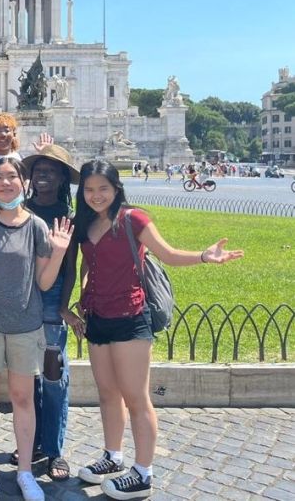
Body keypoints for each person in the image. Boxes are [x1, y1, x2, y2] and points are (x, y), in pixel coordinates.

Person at [73, 160, 244, 499]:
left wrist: (203, 256)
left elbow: (167, 253)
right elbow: (86, 263)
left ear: (116, 189)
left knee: (136, 397)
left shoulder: (134, 218)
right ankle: (113, 456)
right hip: (98, 317)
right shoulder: (86, 223)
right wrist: (83, 295)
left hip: (130, 315)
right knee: (108, 393)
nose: (96, 196)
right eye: (89, 190)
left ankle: (143, 472)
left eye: (103, 189)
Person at [0, 156, 73, 501]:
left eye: (12, 177)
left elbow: (42, 282)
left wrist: (58, 253)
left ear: (23, 183)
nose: (6, 183)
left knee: (24, 398)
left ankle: (25, 471)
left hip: (25, 323)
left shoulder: (37, 226)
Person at [21, 145, 81, 483]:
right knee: (27, 378)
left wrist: (63, 305)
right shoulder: (22, 209)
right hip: (24, 298)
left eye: (51, 170)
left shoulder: (66, 215)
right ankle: (34, 443)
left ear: (61, 179)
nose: (43, 174)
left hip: (51, 298)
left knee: (53, 375)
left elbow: (71, 268)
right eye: (38, 169)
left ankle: (55, 449)